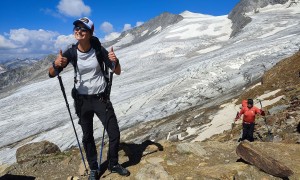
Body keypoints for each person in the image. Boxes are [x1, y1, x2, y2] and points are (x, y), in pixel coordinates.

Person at [48, 17, 129, 179]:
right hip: (82, 101)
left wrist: (116, 61)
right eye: (76, 28)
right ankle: (94, 168)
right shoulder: (71, 52)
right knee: (87, 136)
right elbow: (52, 74)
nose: (78, 31)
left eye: (83, 29)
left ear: (91, 33)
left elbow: (117, 70)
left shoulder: (98, 49)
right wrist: (56, 64)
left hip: (101, 99)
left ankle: (113, 163)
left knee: (114, 133)